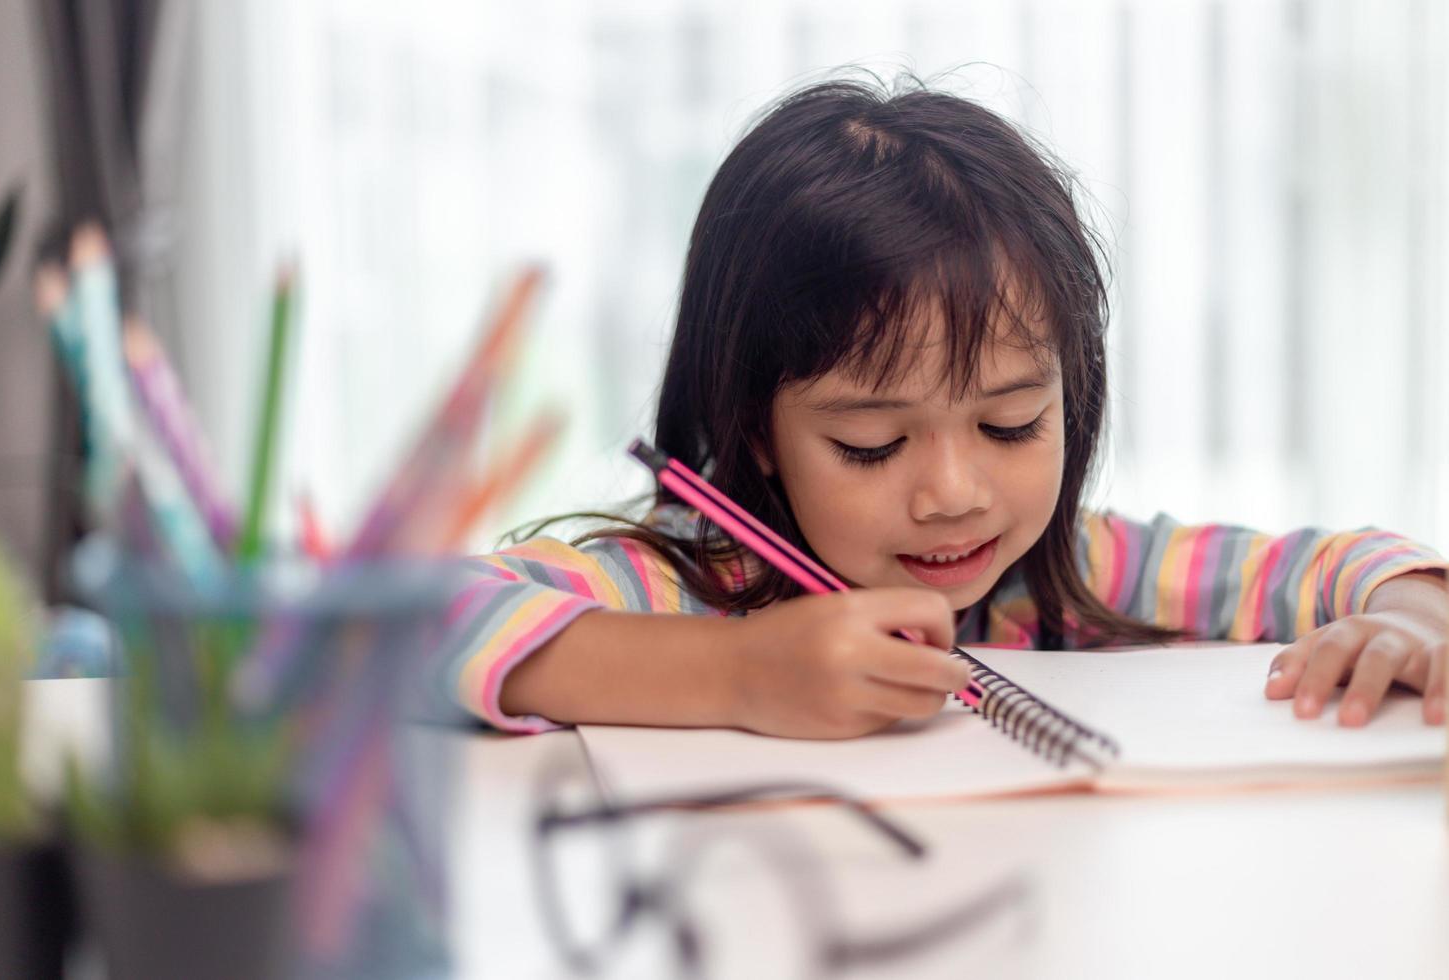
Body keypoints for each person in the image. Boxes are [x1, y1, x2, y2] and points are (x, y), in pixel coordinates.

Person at [438, 78, 1448, 738]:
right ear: (758, 428)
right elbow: (403, 628)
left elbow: (1335, 566)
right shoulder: (697, 581)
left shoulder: (1078, 569)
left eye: (1011, 424)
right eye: (871, 443)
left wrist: (1410, 615)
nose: (956, 493)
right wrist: (737, 672)